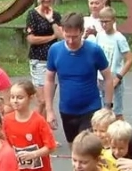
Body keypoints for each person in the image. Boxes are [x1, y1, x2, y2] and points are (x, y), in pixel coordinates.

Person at [44, 12, 115, 143]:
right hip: (67, 110)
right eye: (67, 36)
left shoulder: (94, 50)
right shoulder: (55, 50)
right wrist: (49, 110)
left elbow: (108, 77)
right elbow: (49, 80)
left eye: (75, 37)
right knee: (74, 149)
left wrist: (107, 106)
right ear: (62, 31)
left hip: (90, 108)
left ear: (82, 32)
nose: (71, 41)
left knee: (86, 147)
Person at [24, 0, 63, 113]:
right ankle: (37, 123)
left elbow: (61, 36)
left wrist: (51, 20)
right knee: (42, 100)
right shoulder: (32, 14)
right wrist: (51, 37)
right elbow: (31, 39)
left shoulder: (56, 15)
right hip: (38, 60)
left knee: (48, 101)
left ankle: (45, 124)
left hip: (54, 61)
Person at [94, 5, 132, 119]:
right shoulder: (100, 35)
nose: (104, 24)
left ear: (113, 21)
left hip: (114, 78)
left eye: (106, 21)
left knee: (116, 112)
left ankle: (122, 130)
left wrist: (118, 77)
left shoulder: (119, 38)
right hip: (101, 78)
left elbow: (129, 59)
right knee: (104, 112)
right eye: (101, 22)